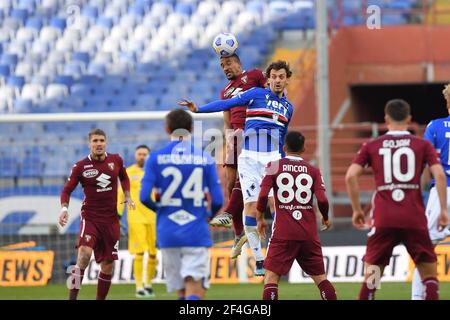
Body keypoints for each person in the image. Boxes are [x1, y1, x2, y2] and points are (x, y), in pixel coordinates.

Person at [179, 60, 294, 276]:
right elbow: (226, 104)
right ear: (268, 79)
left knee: (275, 205)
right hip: (249, 158)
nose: (277, 80)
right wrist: (198, 110)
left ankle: (274, 252)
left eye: (281, 77)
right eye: (274, 77)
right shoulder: (255, 94)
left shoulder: (289, 107)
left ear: (287, 79)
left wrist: (282, 158)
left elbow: (282, 136)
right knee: (249, 207)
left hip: (273, 159)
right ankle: (259, 259)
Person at [345, 99, 449, 300]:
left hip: (384, 218)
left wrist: (357, 209)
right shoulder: (422, 145)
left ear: (386, 119)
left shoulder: (372, 145)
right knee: (428, 273)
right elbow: (440, 175)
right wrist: (443, 209)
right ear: (409, 119)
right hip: (414, 217)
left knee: (373, 275)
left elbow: (350, 176)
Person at [139, 109, 224, 300]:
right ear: (191, 129)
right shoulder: (205, 158)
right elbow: (218, 200)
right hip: (195, 231)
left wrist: (161, 211)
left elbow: (144, 197)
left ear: (167, 129)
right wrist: (207, 216)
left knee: (181, 291)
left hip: (167, 232)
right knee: (195, 290)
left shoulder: (155, 158)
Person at [256, 131, 337, 300]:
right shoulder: (313, 170)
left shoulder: (273, 166)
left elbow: (263, 195)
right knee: (321, 279)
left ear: (284, 147)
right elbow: (322, 199)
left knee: (271, 278)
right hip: (308, 233)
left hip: (283, 233)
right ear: (304, 148)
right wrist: (326, 216)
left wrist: (259, 218)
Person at [59, 128, 134, 300]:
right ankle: (72, 298)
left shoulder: (116, 160)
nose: (98, 144)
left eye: (101, 140)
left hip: (111, 220)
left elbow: (124, 177)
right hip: (90, 218)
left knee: (108, 265)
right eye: (95, 141)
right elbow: (66, 191)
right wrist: (64, 209)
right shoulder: (80, 166)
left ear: (106, 142)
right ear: (89, 144)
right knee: (84, 255)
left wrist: (128, 195)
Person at [209, 53, 267, 260]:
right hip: (234, 136)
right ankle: (237, 234)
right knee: (229, 182)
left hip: (253, 132)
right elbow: (226, 120)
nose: (225, 68)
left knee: (244, 179)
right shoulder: (225, 91)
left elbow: (269, 96)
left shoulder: (254, 75)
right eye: (222, 65)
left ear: (239, 63)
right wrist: (227, 141)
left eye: (229, 63)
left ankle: (228, 214)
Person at [411, 84, 450, 299]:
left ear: (447, 102)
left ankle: (419, 296)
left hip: (442, 192)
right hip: (442, 190)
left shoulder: (434, 127)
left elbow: (425, 164)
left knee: (426, 248)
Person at [117, 145, 157, 298]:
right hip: (136, 218)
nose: (142, 156)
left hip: (154, 218)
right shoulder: (128, 172)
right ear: (135, 156)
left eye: (144, 154)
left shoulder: (155, 171)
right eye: (139, 154)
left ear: (149, 155)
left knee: (153, 253)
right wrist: (118, 214)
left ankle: (148, 284)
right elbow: (121, 195)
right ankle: (139, 286)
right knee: (139, 252)